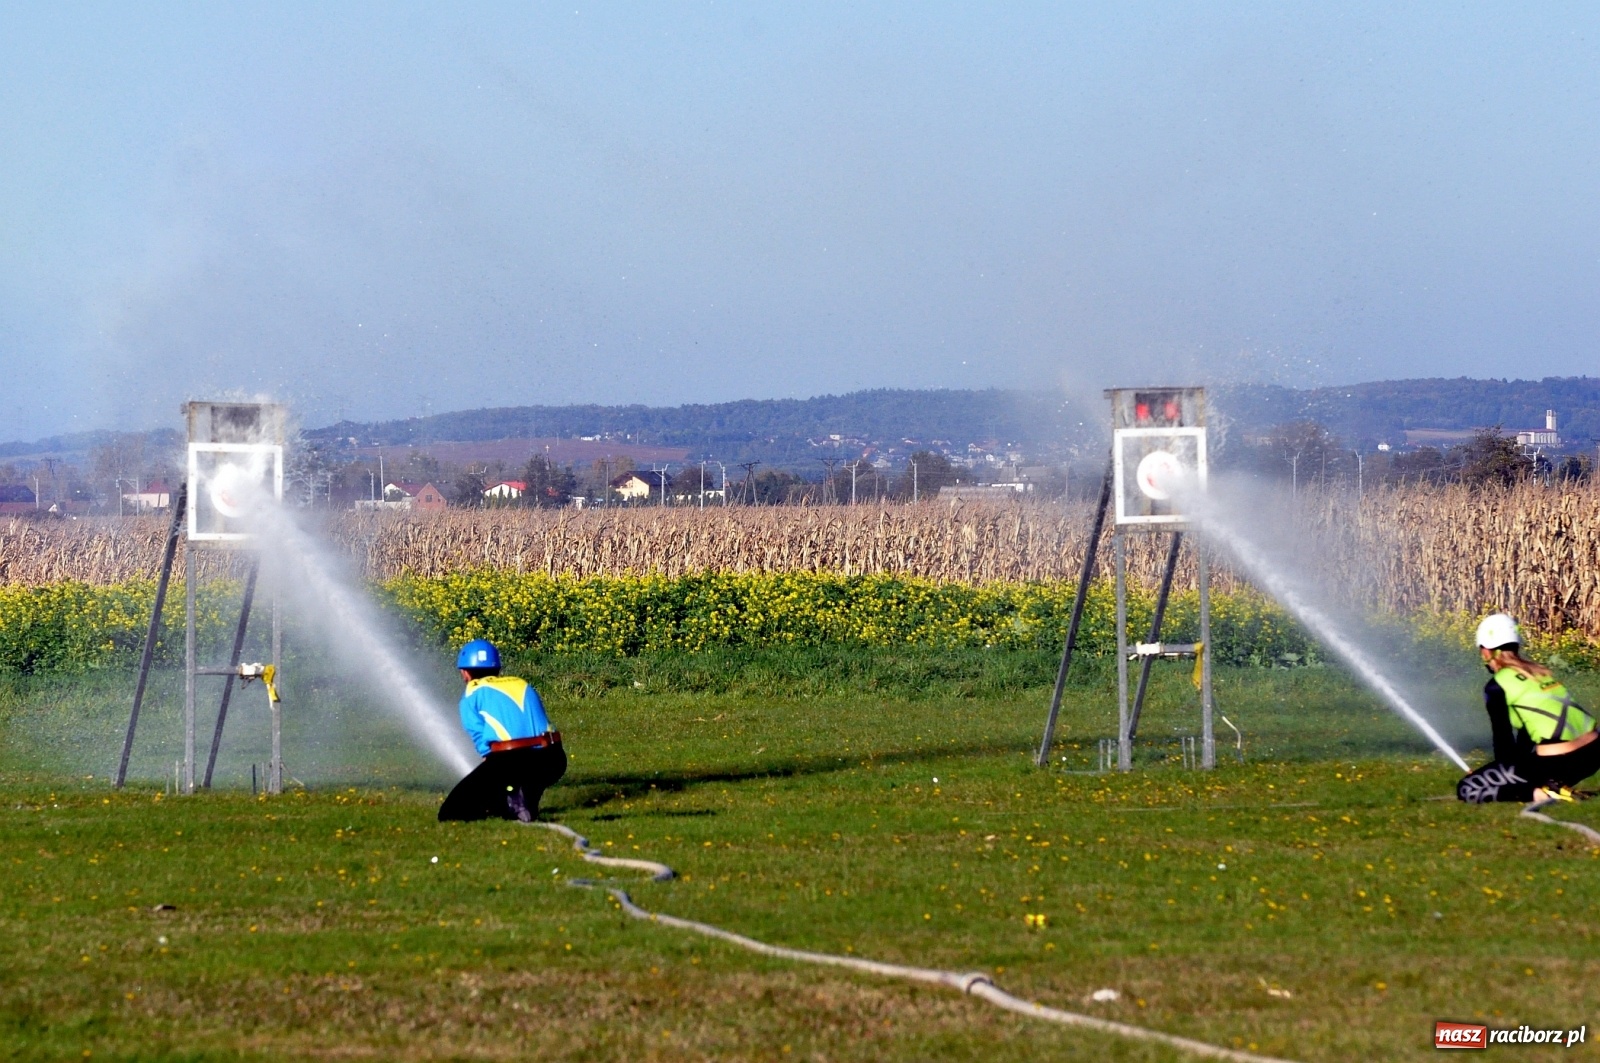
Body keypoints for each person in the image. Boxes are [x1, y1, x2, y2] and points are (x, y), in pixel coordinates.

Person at [1457, 613, 1598, 805]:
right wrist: (1501, 771)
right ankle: (1555, 785)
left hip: (1558, 762)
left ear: (1486, 651)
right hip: (1593, 753)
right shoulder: (1539, 673)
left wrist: (1499, 774)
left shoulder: (1497, 686)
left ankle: (1541, 794)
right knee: (1529, 766)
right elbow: (1527, 737)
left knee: (1467, 788)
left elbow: (1503, 741)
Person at [438, 639, 567, 822]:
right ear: (498, 669)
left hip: (513, 762)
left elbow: (481, 740)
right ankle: (520, 801)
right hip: (553, 759)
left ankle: (514, 797)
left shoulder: (471, 693)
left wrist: (489, 772)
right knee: (507, 796)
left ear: (465, 673)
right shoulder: (521, 683)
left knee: (451, 813)